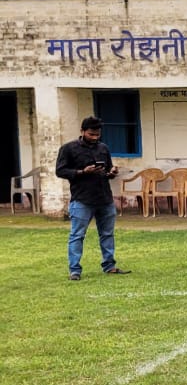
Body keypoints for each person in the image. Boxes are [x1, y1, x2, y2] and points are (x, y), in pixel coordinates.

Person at [55, 115, 129, 280]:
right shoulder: (68, 149)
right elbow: (60, 171)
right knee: (77, 235)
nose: (95, 137)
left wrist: (112, 172)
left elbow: (107, 170)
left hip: (104, 198)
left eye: (97, 134)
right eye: (91, 134)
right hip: (82, 199)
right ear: (82, 131)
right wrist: (82, 172)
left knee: (107, 234)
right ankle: (75, 270)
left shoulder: (103, 148)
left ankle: (109, 266)